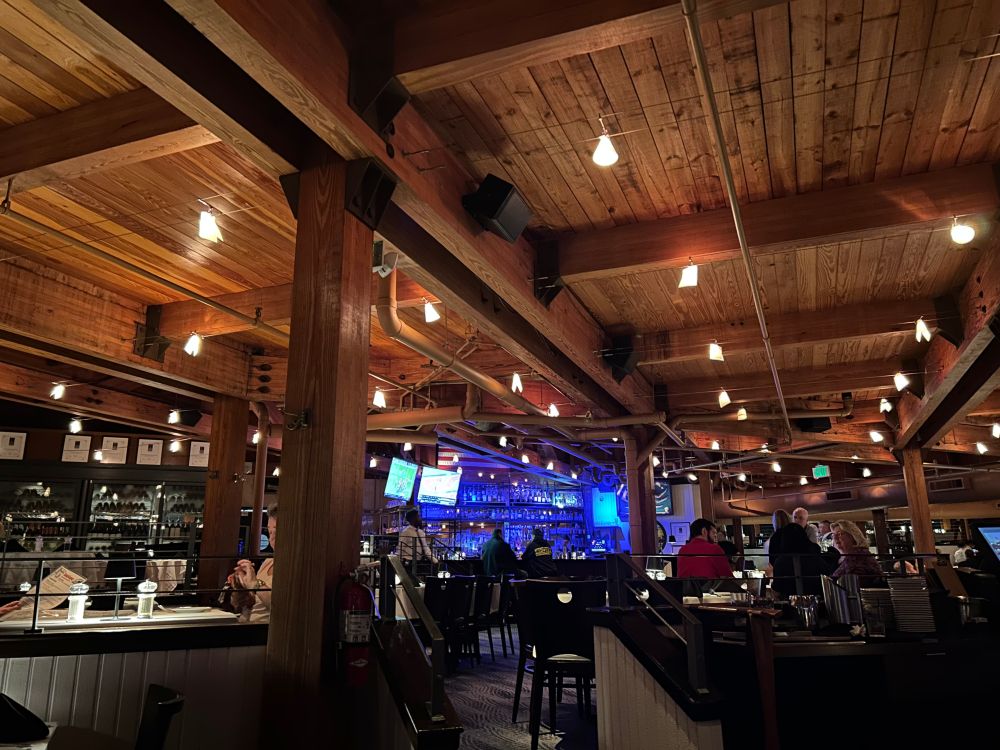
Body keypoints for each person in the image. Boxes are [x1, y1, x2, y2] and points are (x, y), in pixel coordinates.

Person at [229, 504, 277, 623]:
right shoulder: (268, 562)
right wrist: (241, 587)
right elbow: (246, 604)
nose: (271, 538)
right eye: (269, 531)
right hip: (247, 624)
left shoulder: (293, 565)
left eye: (276, 531)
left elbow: (279, 607)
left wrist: (255, 584)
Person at [769, 521, 824, 597]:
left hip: (790, 601)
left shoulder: (781, 562)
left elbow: (777, 590)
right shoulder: (815, 557)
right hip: (817, 600)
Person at [677, 519, 733, 585]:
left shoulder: (682, 550)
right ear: (704, 531)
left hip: (686, 590)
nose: (715, 536)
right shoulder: (714, 549)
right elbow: (727, 576)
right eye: (714, 533)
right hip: (709, 590)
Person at [831, 520, 883, 586]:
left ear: (853, 536)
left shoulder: (860, 555)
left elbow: (851, 583)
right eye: (833, 535)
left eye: (839, 534)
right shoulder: (842, 557)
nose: (835, 538)